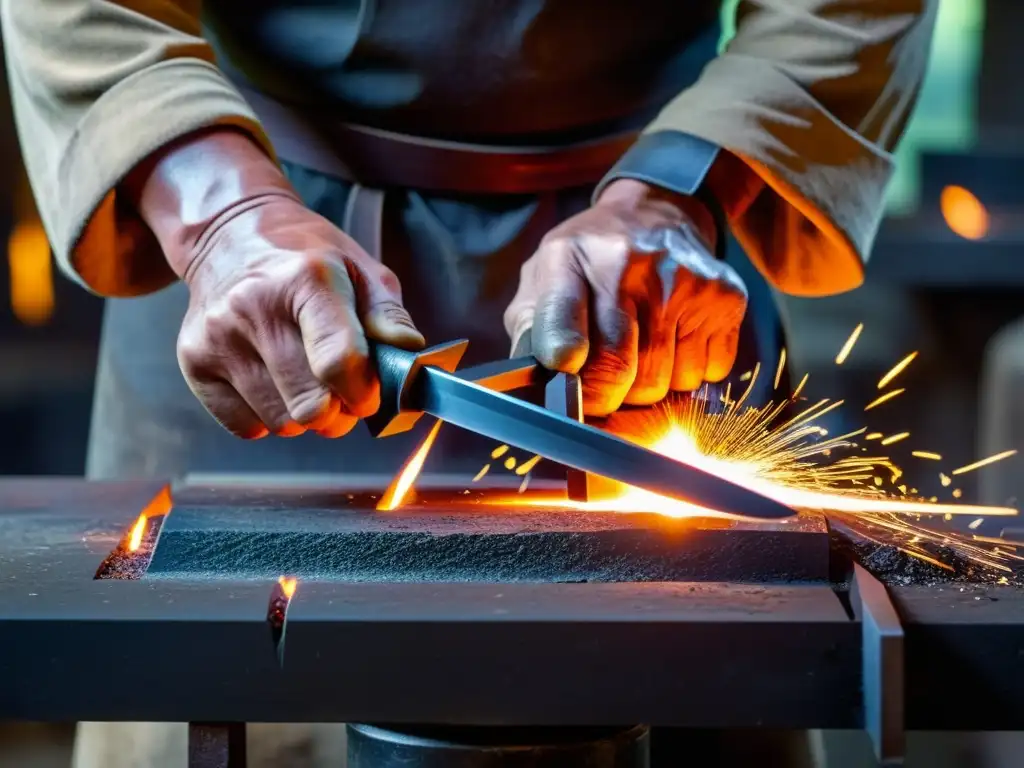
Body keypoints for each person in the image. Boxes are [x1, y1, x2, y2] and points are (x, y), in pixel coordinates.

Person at [2, 0, 937, 765]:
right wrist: (223, 215)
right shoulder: (231, 246)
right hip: (254, 286)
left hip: (661, 268)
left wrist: (675, 195)